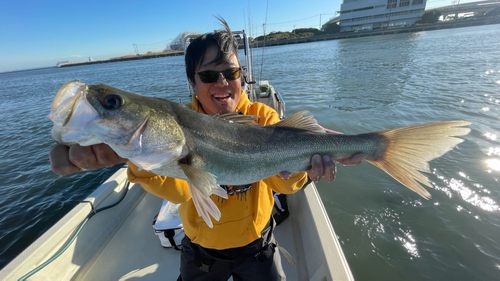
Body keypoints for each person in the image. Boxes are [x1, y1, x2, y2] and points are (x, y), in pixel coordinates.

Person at [49, 18, 365, 281]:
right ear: (192, 82)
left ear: (241, 76)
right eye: (209, 75)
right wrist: (136, 161)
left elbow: (280, 182)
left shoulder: (264, 119)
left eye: (231, 73)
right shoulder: (175, 126)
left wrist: (304, 173)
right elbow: (182, 193)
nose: (222, 82)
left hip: (257, 246)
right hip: (201, 250)